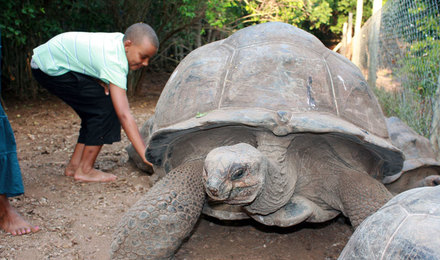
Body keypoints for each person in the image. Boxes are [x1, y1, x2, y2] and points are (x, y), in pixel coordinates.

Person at [31, 23, 158, 182]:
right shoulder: (115, 61)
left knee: (98, 106)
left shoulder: (118, 43)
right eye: (143, 56)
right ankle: (85, 170)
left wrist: (97, 79)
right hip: (49, 68)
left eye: (148, 59)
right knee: (106, 107)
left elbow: (88, 59)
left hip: (50, 62)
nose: (145, 63)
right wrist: (144, 154)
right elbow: (124, 115)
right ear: (128, 45)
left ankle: (74, 166)